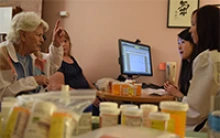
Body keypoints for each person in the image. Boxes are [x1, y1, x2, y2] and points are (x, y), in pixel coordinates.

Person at [0, 12, 64, 98]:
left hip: (32, 106)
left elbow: (52, 65)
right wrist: (33, 81)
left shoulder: (33, 54)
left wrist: (56, 45)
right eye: (39, 35)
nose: (42, 40)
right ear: (23, 35)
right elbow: (2, 94)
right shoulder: (2, 55)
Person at [183, 5, 220, 130]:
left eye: (193, 24)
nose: (190, 30)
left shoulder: (208, 59)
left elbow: (195, 112)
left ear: (206, 27)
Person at [164, 28, 197, 99]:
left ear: (193, 43)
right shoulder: (187, 66)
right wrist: (173, 89)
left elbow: (193, 103)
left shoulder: (198, 66)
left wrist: (176, 93)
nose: (179, 47)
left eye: (183, 42)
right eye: (178, 43)